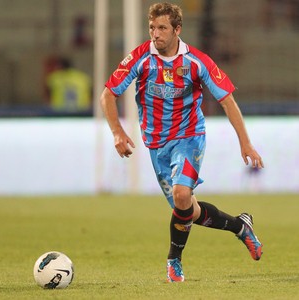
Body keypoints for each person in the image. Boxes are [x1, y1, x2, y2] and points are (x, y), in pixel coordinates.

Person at [100, 2, 264, 282]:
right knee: (188, 210)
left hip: (189, 137)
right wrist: (117, 131)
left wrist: (245, 143)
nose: (155, 34)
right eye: (152, 27)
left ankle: (174, 261)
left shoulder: (196, 61)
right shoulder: (140, 57)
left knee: (181, 196)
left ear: (177, 30)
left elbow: (227, 101)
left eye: (162, 28)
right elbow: (108, 95)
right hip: (156, 144)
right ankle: (240, 226)